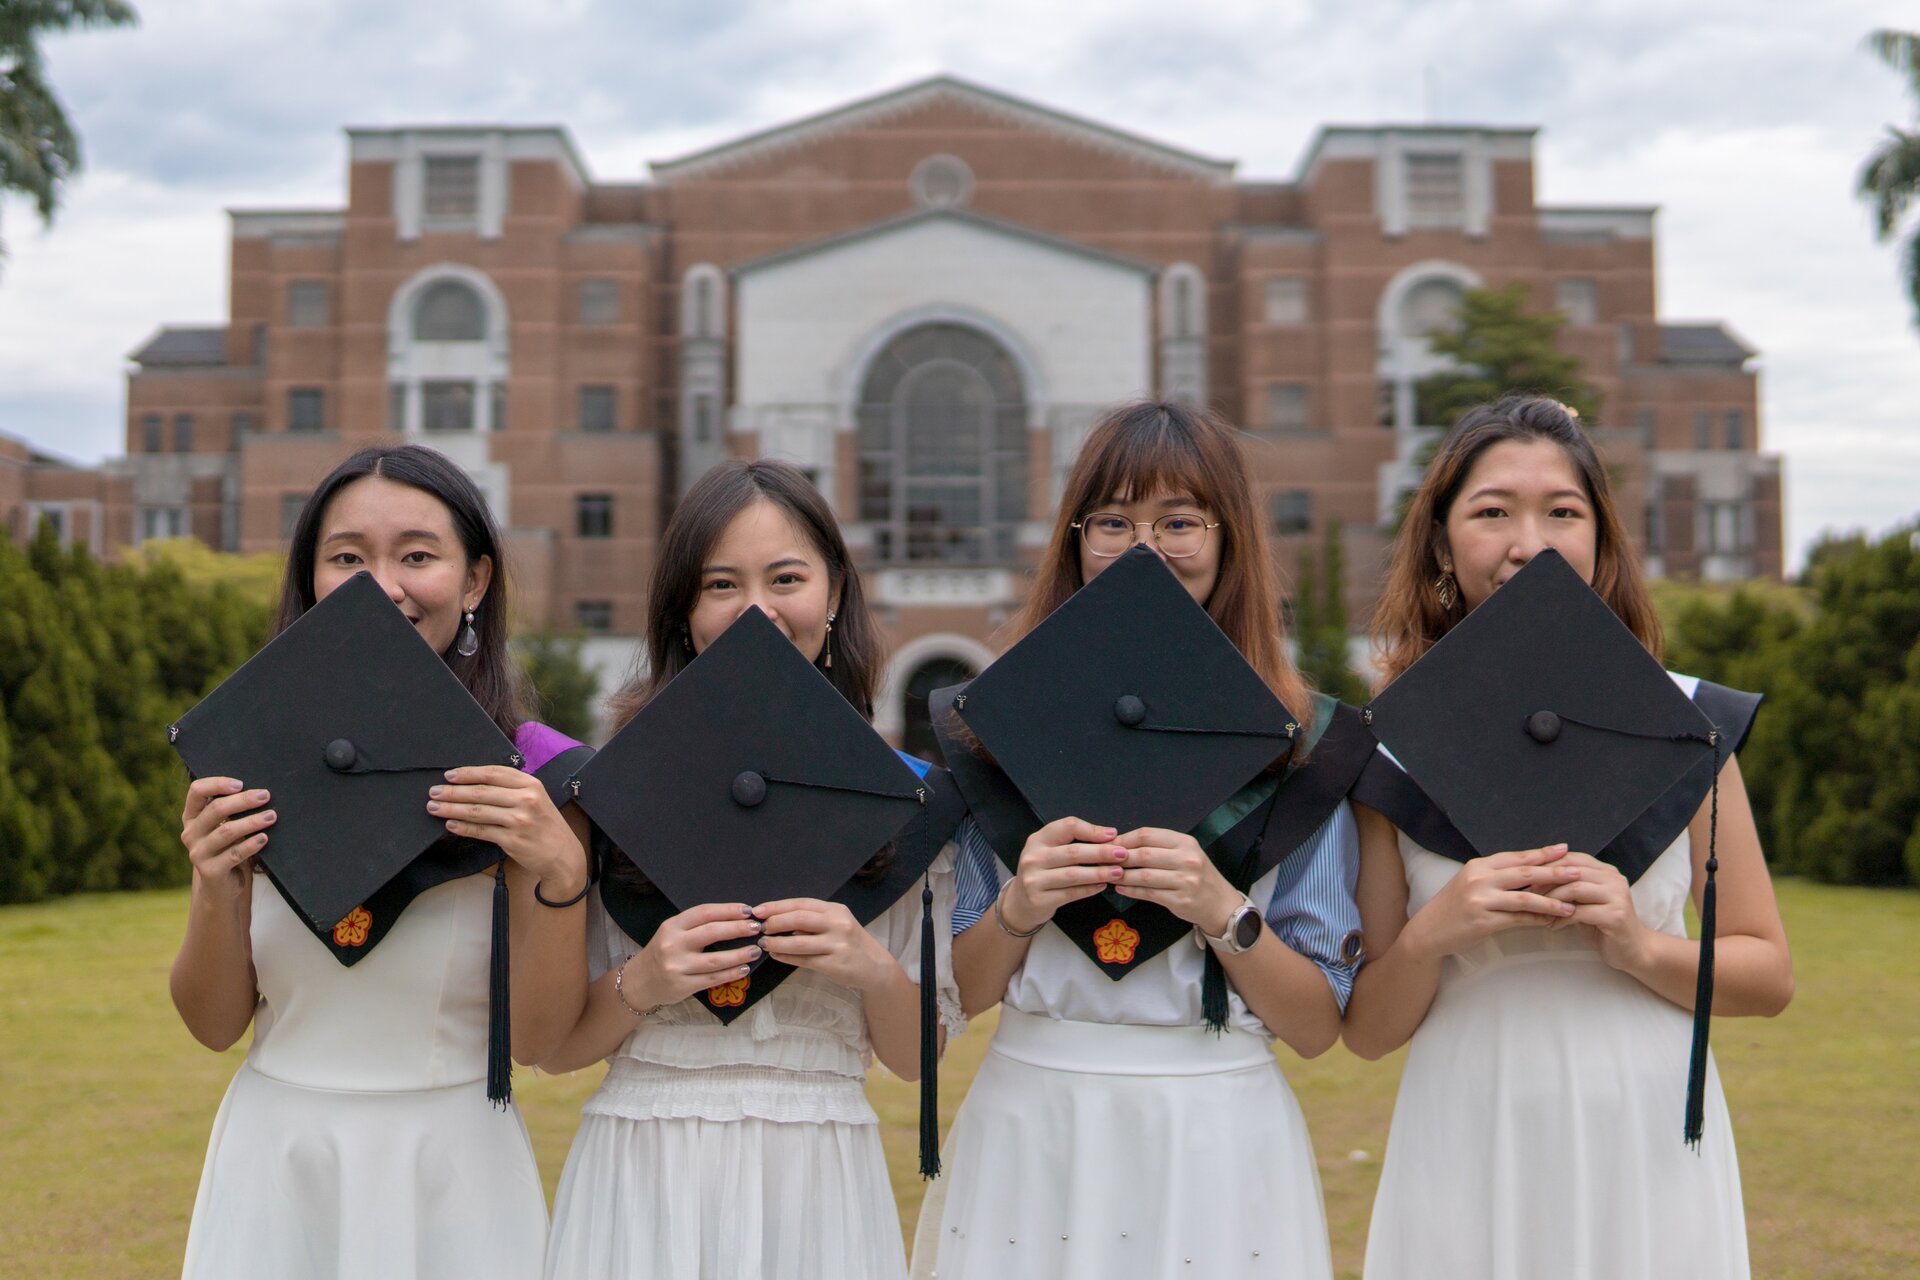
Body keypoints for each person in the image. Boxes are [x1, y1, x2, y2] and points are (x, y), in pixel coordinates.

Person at [913, 400, 1365, 1280]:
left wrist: (1221, 910)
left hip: (1214, 1125)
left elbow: (1317, 1028)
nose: (1144, 549)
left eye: (1180, 521)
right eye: (1113, 521)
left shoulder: (1300, 745)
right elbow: (957, 998)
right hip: (1034, 1117)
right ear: (1076, 540)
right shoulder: (999, 730)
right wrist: (1020, 906)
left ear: (1230, 541)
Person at [1346, 395, 1794, 1280]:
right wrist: (1438, 931)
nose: (1530, 543)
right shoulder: (1392, 745)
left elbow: (1767, 975)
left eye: (1562, 512)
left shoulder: (1681, 722)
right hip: (1471, 1115)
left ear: (1601, 539)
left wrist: (1638, 945)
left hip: (1643, 1114)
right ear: (1441, 545)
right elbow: (1366, 1031)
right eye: (1491, 512)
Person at [172, 444, 592, 1280]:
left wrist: (560, 874)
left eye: (418, 556)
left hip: (453, 1172)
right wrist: (215, 886)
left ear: (474, 582)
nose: (383, 586)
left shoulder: (532, 778)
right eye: (348, 559)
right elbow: (215, 1026)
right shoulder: (257, 760)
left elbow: (541, 1043)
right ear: (311, 579)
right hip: (278, 1162)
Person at [540, 459, 963, 1280]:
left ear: (834, 595)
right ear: (684, 612)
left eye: (787, 578)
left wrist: (870, 968)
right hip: (645, 1166)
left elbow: (917, 1061)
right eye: (721, 584)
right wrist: (645, 981)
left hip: (818, 1177)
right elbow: (553, 1051)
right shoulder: (610, 792)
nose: (757, 608)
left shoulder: (903, 800)